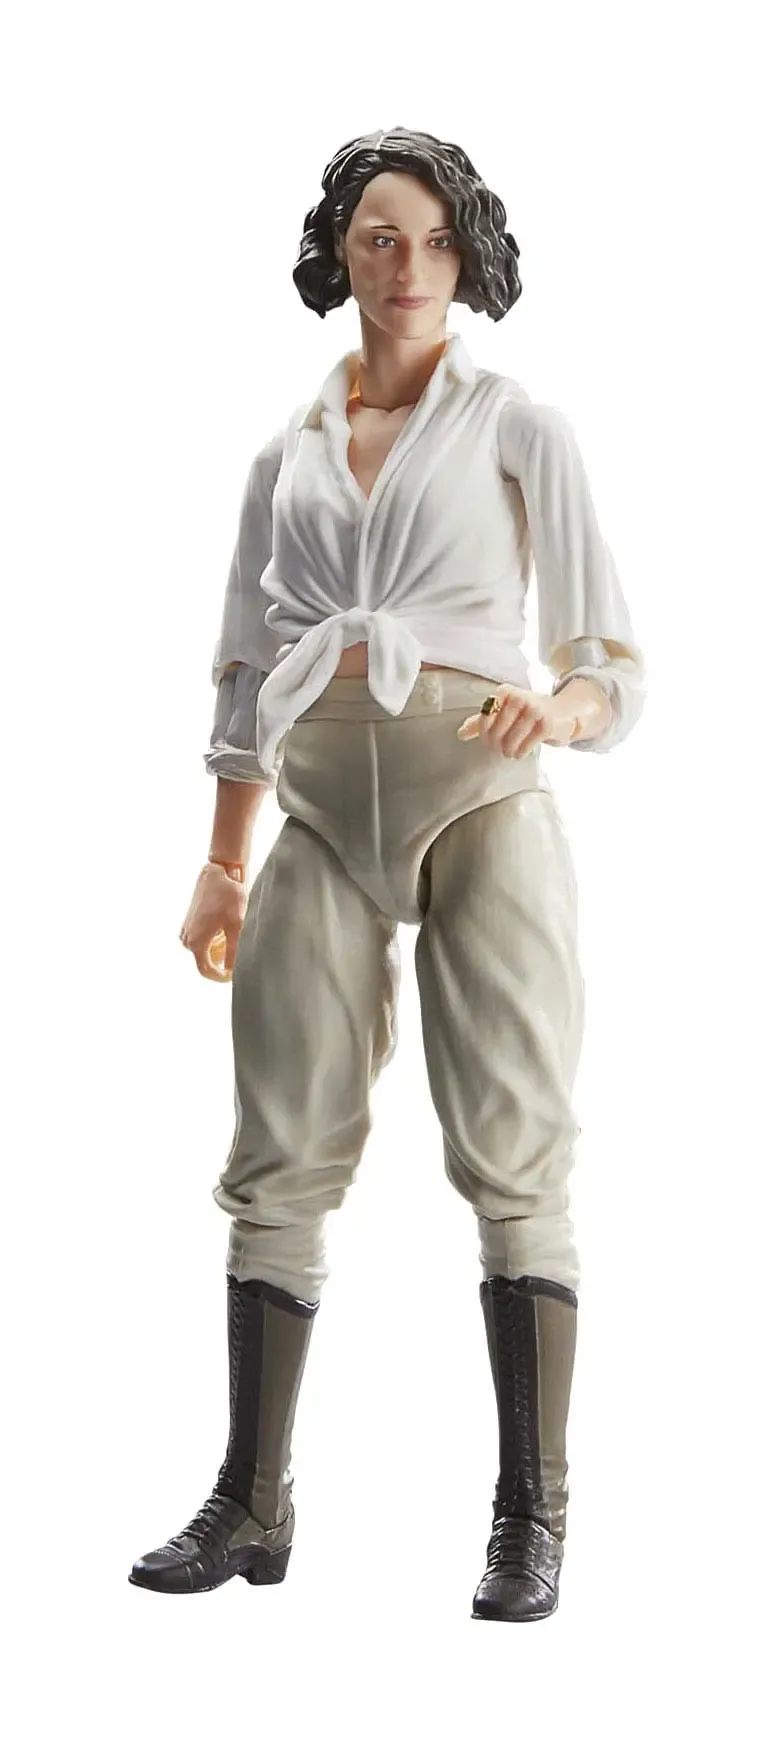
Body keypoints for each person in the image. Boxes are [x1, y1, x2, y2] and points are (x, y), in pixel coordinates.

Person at [129, 126, 645, 1618]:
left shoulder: (519, 427)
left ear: (467, 258)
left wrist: (560, 709)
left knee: (513, 1139)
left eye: (432, 239)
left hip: (479, 793)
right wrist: (220, 863)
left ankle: (531, 1515)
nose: (406, 265)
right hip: (316, 814)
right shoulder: (282, 454)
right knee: (276, 1143)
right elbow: (245, 667)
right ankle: (252, 1498)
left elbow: (610, 658)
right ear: (340, 254)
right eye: (377, 236)